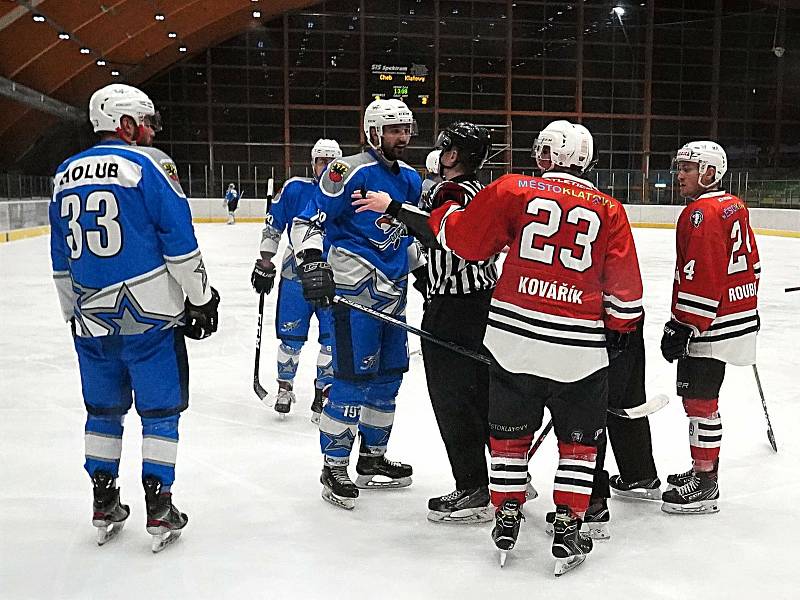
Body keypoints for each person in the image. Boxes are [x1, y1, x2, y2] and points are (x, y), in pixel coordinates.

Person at [428, 120, 643, 575]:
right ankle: (568, 520)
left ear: (545, 155)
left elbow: (465, 242)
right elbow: (626, 299)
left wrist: (443, 214)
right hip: (578, 351)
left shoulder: (512, 189)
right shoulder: (610, 209)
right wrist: (619, 330)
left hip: (512, 342)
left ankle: (506, 511)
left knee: (508, 436)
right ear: (586, 160)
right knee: (579, 445)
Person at [49, 84, 219, 552]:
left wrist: (73, 313)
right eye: (143, 121)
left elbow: (59, 255)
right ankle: (160, 505)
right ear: (124, 123)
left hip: (91, 320)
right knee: (160, 410)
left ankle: (104, 499)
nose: (148, 130)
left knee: (102, 411)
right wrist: (201, 297)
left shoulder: (65, 174)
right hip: (149, 318)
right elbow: (178, 238)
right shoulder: (148, 165)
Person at [352, 121, 500, 523]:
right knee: (481, 395)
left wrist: (393, 208)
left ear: (452, 156)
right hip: (479, 303)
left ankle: (473, 488)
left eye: (443, 148)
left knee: (454, 400)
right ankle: (503, 479)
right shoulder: (480, 191)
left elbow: (441, 235)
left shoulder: (452, 191)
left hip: (454, 310)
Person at [290, 98, 423, 510]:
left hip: (393, 299)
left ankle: (371, 459)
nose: (402, 138)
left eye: (406, 129)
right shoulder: (346, 171)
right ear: (372, 132)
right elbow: (307, 220)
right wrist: (312, 261)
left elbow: (408, 236)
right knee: (350, 381)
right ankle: (333, 466)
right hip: (353, 297)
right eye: (393, 130)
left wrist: (424, 271)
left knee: (388, 380)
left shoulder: (413, 179)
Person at [660, 141, 760, 514]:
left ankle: (705, 481)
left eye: (688, 167)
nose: (680, 174)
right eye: (680, 166)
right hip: (736, 312)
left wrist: (685, 325)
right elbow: (753, 261)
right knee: (702, 401)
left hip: (711, 323)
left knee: (700, 403)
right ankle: (703, 470)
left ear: (709, 171)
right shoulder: (735, 205)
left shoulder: (700, 213)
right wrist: (749, 305)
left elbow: (702, 276)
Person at [250, 139, 342, 420]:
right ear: (313, 163)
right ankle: (285, 388)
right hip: (296, 275)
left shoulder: (347, 193)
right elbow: (274, 225)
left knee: (331, 340)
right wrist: (266, 262)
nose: (324, 167)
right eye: (320, 161)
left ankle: (324, 392)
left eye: (330, 162)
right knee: (291, 339)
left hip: (335, 275)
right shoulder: (294, 188)